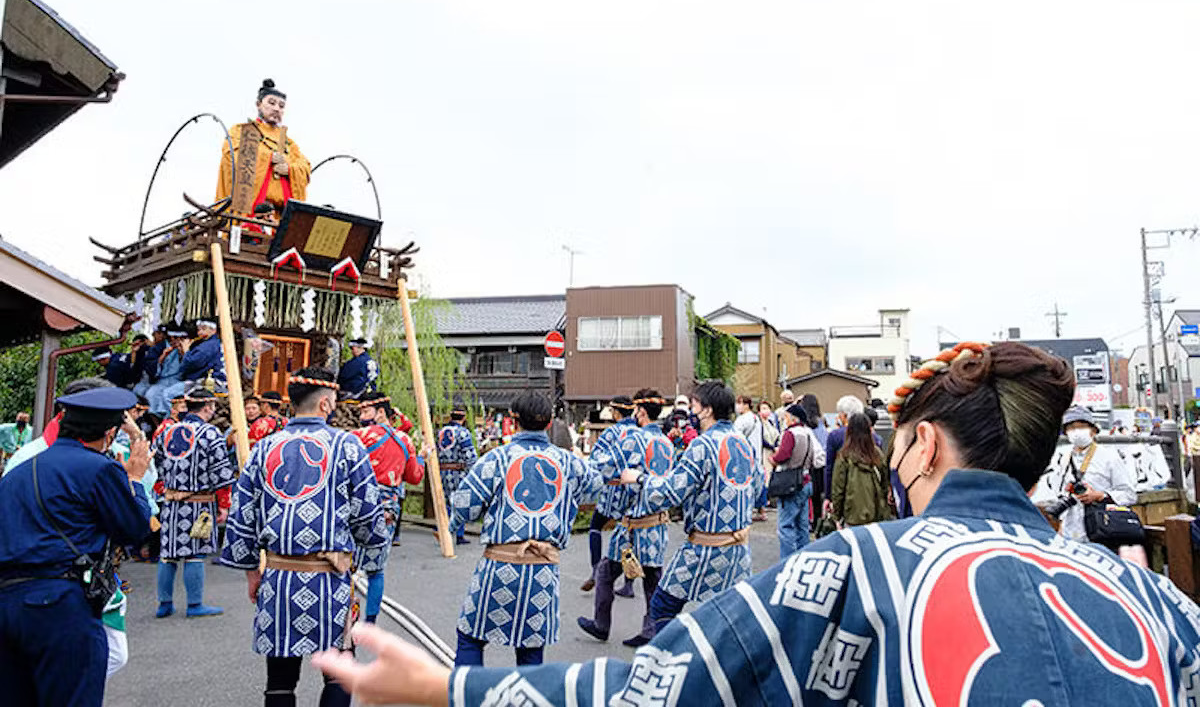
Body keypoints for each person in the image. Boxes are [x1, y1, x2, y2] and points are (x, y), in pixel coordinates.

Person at [317, 340, 1200, 706]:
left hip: (649, 556)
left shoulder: (866, 569)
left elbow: (655, 689)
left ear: (923, 444)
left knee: (679, 647)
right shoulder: (1157, 601)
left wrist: (442, 692)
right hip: (730, 552)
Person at [220, 366, 390, 707]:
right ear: (326, 404)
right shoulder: (348, 446)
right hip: (331, 580)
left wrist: (252, 571)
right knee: (340, 669)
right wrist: (372, 564)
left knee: (280, 680)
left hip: (279, 577)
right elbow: (369, 518)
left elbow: (242, 517)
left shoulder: (263, 449)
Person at [0, 382, 152, 706]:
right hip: (59, 603)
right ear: (109, 433)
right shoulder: (99, 467)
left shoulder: (18, 470)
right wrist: (136, 481)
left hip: (8, 600)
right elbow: (134, 528)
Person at [447, 392, 602, 666]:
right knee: (531, 647)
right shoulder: (568, 462)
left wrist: (455, 526)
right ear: (549, 422)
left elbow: (464, 504)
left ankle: (468, 696)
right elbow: (595, 488)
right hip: (542, 570)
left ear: (513, 420)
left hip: (498, 566)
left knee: (470, 636)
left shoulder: (496, 458)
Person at [617, 380, 761, 637]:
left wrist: (639, 478)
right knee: (725, 614)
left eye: (694, 405)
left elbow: (671, 491)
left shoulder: (703, 445)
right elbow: (759, 487)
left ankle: (670, 664)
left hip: (706, 545)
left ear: (707, 410)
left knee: (663, 604)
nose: (690, 412)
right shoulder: (743, 442)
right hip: (739, 547)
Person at [578, 390, 674, 648]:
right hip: (659, 521)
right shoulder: (666, 442)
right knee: (652, 578)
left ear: (640, 412)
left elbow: (611, 469)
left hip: (634, 522)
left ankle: (601, 624)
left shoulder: (634, 440)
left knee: (606, 572)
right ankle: (651, 629)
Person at [153, 387, 236, 618]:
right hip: (199, 503)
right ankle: (194, 604)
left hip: (170, 502)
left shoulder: (166, 432)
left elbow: (156, 463)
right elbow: (221, 473)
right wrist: (224, 504)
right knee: (195, 553)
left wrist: (166, 486)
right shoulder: (210, 433)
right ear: (208, 407)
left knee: (167, 553)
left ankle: (164, 604)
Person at [352, 391, 425, 624]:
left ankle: (344, 616)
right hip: (387, 509)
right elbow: (414, 477)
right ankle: (370, 621)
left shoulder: (357, 437)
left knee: (346, 563)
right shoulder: (404, 440)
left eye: (365, 411)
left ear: (380, 412)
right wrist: (422, 457)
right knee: (376, 569)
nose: (361, 416)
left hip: (356, 503)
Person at [1037, 405, 1137, 544]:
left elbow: (1129, 494)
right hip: (1069, 532)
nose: (1077, 431)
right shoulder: (1062, 457)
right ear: (1066, 432)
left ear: (1093, 430)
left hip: (1102, 531)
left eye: (1082, 426)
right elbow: (1056, 491)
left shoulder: (1109, 456)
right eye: (1071, 427)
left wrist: (1099, 496)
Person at [216, 78, 312, 219]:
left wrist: (290, 169)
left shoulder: (289, 143)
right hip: (249, 213)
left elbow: (305, 166)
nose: (276, 109)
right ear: (258, 104)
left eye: (281, 106)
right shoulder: (243, 131)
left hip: (279, 215)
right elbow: (232, 156)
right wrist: (268, 158)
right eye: (271, 103)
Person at [581, 396, 639, 597]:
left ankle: (596, 568)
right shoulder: (640, 433)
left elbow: (597, 459)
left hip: (613, 490)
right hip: (634, 490)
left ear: (616, 412)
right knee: (629, 536)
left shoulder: (611, 432)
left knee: (596, 525)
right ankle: (629, 583)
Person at [772, 401, 820, 556]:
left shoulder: (790, 433)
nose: (785, 420)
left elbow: (783, 455)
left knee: (786, 525)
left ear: (793, 419)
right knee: (802, 525)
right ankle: (803, 557)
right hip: (806, 480)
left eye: (786, 417)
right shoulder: (808, 433)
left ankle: (787, 560)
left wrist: (774, 457)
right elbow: (816, 458)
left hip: (790, 482)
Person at [830, 411, 892, 527]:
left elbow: (838, 489)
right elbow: (885, 482)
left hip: (852, 514)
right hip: (876, 512)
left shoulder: (844, 456)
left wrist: (837, 516)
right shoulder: (877, 453)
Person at [436, 406, 478, 545]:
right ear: (464, 418)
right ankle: (459, 535)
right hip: (458, 472)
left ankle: (441, 529)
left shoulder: (441, 432)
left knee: (445, 502)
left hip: (443, 471)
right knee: (460, 502)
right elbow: (470, 456)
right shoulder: (463, 433)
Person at [160, 320, 225, 406]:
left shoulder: (209, 346)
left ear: (213, 330)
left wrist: (186, 350)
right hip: (208, 380)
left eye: (204, 329)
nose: (200, 332)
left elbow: (192, 363)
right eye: (199, 329)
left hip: (209, 382)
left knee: (167, 394)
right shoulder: (209, 343)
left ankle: (171, 417)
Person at [734, 395, 769, 522]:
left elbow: (735, 438)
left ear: (746, 404)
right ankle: (761, 510)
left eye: (739, 403)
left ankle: (746, 512)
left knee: (746, 484)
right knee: (759, 483)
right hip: (757, 455)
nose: (737, 406)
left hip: (745, 455)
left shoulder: (742, 420)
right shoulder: (756, 418)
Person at [146, 324, 187, 415]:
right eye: (175, 338)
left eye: (181, 338)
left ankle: (171, 419)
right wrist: (163, 357)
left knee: (167, 394)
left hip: (179, 379)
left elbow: (191, 366)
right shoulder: (158, 348)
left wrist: (184, 353)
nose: (176, 341)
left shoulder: (187, 347)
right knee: (151, 394)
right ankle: (157, 423)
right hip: (162, 380)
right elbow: (150, 367)